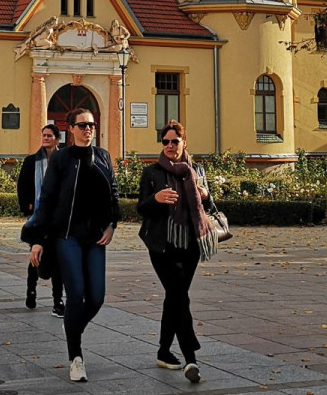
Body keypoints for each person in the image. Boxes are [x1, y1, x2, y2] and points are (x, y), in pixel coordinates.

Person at [28, 108, 119, 383]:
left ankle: (73, 331)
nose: (88, 129)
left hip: (95, 237)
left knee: (97, 297)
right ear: (70, 129)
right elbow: (47, 198)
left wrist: (112, 224)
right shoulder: (62, 159)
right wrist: (37, 239)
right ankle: (75, 356)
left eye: (91, 124)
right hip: (66, 236)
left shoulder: (103, 156)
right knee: (76, 293)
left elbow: (113, 193)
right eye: (82, 125)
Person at [137, 121, 216, 383]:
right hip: (161, 245)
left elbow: (210, 206)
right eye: (166, 142)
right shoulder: (152, 172)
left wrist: (204, 195)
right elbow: (142, 208)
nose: (170, 146)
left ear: (185, 142)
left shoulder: (196, 170)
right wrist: (155, 199)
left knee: (175, 298)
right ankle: (191, 357)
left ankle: (163, 351)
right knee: (180, 297)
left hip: (191, 245)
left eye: (175, 141)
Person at [18, 124, 65, 316]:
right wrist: (28, 208)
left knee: (58, 260)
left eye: (49, 136)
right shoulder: (31, 161)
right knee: (36, 256)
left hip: (59, 218)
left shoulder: (64, 160)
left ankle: (57, 300)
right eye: (43, 135)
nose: (45, 138)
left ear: (57, 139)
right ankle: (31, 289)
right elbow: (22, 186)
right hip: (38, 218)